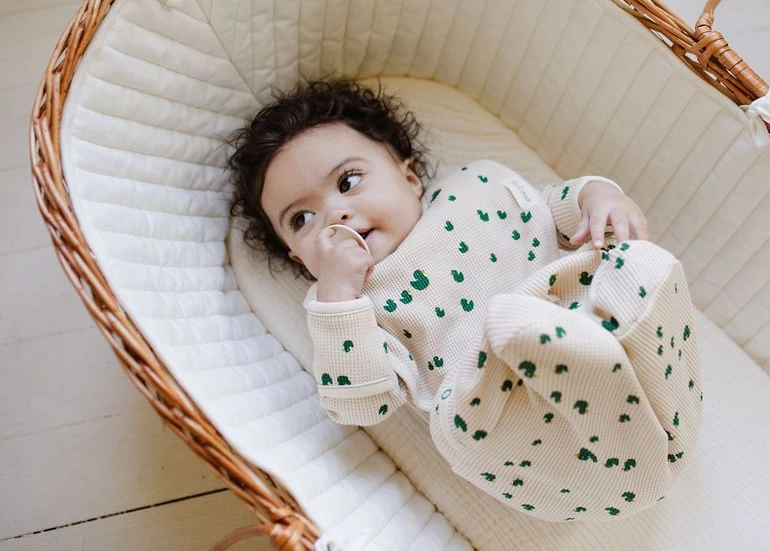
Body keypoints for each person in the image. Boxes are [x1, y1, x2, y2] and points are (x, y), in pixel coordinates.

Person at [226, 80, 702, 521]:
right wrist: (337, 297)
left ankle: (575, 348)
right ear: (296, 256)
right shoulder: (352, 308)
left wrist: (598, 196)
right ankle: (542, 344)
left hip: (622, 354)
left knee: (640, 263)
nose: (335, 214)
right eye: (302, 219)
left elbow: (555, 212)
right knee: (468, 408)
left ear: (409, 178)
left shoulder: (473, 190)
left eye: (348, 182)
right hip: (528, 435)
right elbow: (363, 404)